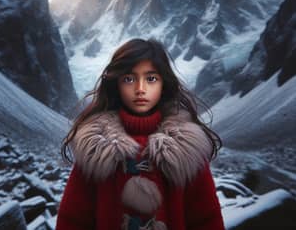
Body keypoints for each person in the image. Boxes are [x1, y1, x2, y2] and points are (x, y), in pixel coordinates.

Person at [56, 38, 225, 230]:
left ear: (163, 84)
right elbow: (72, 220)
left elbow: (207, 220)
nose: (140, 89)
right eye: (129, 79)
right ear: (116, 84)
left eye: (151, 78)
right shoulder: (94, 151)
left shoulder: (188, 150)